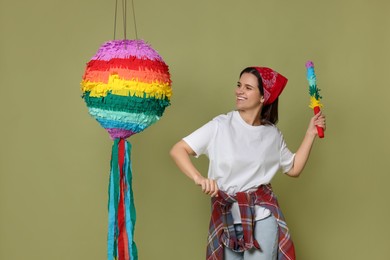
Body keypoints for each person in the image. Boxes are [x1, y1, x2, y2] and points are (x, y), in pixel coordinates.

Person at [170, 66, 326, 260]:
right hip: (227, 216)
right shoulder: (220, 126)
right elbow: (178, 150)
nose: (239, 91)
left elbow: (293, 168)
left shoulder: (272, 134)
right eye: (239, 85)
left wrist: (310, 133)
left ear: (263, 97)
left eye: (248, 87)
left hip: (262, 216)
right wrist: (199, 178)